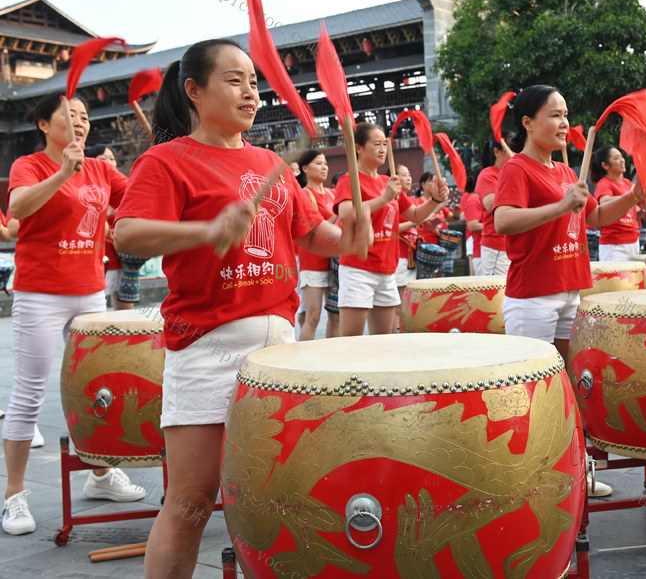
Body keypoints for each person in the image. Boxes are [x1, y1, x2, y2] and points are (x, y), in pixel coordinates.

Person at [111, 38, 370, 577]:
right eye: (234, 80)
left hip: (278, 349)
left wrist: (352, 232)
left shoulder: (271, 163)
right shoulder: (167, 160)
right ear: (193, 91)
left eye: (254, 81)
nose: (250, 91)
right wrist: (208, 229)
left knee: (289, 493)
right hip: (207, 346)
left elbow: (318, 237)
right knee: (190, 502)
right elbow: (128, 234)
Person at [493, 85, 646, 499]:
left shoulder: (567, 172)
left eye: (566, 114)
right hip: (533, 296)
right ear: (528, 122)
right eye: (554, 115)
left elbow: (596, 216)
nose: (564, 123)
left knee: (567, 387)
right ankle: (528, 480)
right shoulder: (518, 169)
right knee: (531, 390)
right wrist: (561, 207)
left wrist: (634, 197)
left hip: (569, 291)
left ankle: (575, 473)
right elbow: (505, 221)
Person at [3, 94, 146, 537]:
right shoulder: (29, 166)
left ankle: (100, 476)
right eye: (70, 115)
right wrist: (65, 170)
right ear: (45, 124)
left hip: (90, 295)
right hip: (42, 293)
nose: (80, 121)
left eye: (85, 116)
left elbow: (139, 199)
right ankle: (13, 495)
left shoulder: (103, 170)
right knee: (28, 394)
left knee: (99, 387)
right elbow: (20, 210)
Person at [335, 123, 448, 337]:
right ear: (358, 147)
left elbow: (414, 215)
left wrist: (435, 200)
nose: (382, 150)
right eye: (376, 144)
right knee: (351, 343)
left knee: (384, 340)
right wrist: (385, 198)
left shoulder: (389, 181)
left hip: (387, 269)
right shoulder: (349, 180)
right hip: (358, 268)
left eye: (384, 145)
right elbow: (346, 214)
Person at [296, 149, 338, 340]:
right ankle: (304, 362)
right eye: (319, 164)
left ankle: (332, 359)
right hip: (313, 263)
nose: (324, 168)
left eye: (325, 164)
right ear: (305, 168)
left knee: (335, 315)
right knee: (313, 316)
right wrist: (339, 214)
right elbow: (316, 230)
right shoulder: (305, 195)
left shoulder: (332, 194)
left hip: (333, 263)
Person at [85, 145, 133, 311]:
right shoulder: (87, 187)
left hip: (124, 258)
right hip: (97, 258)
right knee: (93, 312)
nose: (109, 163)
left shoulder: (122, 187)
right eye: (103, 159)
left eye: (112, 159)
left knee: (125, 312)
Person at [591, 146, 641, 261]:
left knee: (633, 279)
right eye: (617, 158)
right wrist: (631, 197)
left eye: (622, 157)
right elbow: (604, 201)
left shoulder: (627, 183)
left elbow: (642, 203)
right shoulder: (604, 183)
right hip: (614, 245)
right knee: (616, 279)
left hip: (633, 241)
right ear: (605, 165)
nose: (622, 160)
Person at [476, 135, 513, 276]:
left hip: (518, 245)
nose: (515, 152)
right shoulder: (487, 175)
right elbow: (491, 205)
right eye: (511, 148)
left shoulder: (519, 174)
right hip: (497, 246)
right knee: (497, 294)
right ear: (497, 152)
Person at [394, 164, 419, 332]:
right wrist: (413, 221)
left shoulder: (410, 201)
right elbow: (391, 227)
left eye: (409, 174)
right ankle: (397, 330)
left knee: (409, 298)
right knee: (399, 301)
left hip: (411, 257)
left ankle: (405, 330)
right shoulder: (393, 200)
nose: (409, 178)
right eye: (404, 175)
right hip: (399, 256)